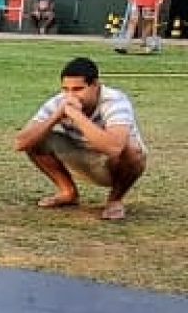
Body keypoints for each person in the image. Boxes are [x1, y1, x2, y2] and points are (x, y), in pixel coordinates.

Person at [15, 56, 147, 221]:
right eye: (65, 89)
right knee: (36, 138)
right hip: (79, 157)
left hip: (112, 164)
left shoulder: (114, 101)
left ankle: (115, 200)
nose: (70, 96)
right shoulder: (59, 102)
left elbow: (114, 148)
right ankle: (68, 192)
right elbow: (20, 142)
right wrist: (56, 116)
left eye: (78, 89)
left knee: (132, 150)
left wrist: (77, 116)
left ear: (95, 86)